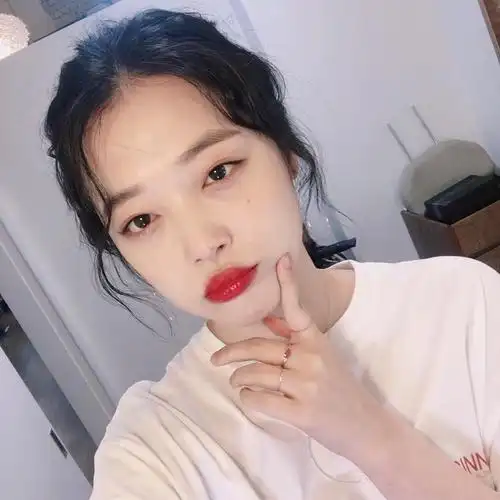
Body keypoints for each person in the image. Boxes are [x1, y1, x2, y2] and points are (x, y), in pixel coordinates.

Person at [44, 8, 500, 499]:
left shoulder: (460, 302)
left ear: (285, 153)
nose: (203, 244)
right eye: (142, 220)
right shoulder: (155, 450)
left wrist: (372, 436)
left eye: (218, 172)